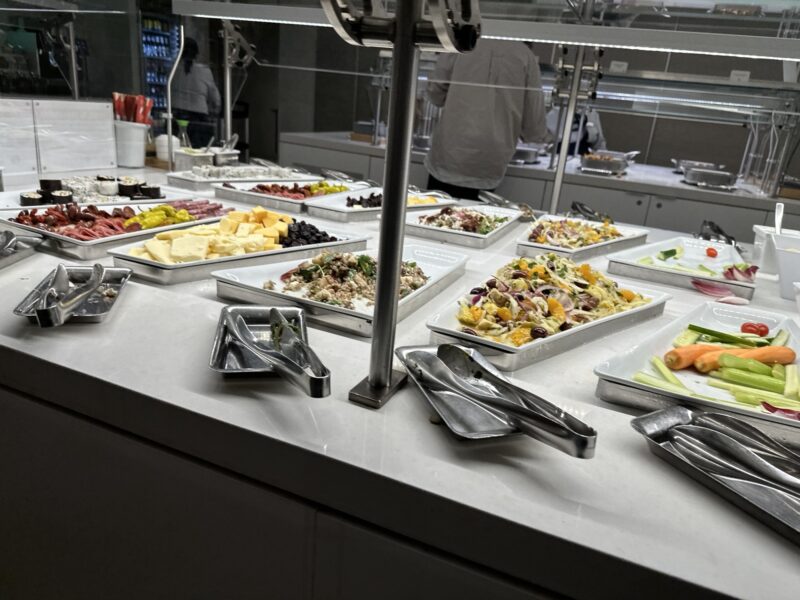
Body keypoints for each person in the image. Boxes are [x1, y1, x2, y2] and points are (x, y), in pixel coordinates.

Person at [424, 40, 550, 200]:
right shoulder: (526, 56)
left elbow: (435, 94)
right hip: (490, 159)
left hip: (450, 153)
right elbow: (534, 123)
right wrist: (540, 137)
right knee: (475, 220)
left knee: (434, 216)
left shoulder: (462, 43)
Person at [171, 37, 221, 148]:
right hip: (198, 121)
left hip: (175, 118)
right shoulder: (204, 71)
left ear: (180, 52)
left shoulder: (172, 69)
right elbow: (216, 100)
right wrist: (215, 111)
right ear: (196, 54)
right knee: (199, 155)